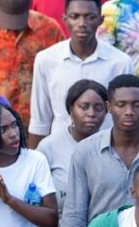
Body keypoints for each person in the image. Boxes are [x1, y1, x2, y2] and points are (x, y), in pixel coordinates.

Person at [31, 0, 134, 146]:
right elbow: (40, 120)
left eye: (89, 17)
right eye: (75, 16)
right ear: (65, 19)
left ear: (100, 20)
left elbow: (126, 118)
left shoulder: (120, 62)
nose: (82, 23)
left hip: (106, 150)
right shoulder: (46, 60)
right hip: (60, 153)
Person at [62, 74, 139, 226]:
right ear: (109, 107)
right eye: (121, 104)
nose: (129, 111)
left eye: (136, 104)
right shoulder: (86, 151)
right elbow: (74, 215)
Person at [36, 79, 108, 213]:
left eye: (98, 108)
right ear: (71, 109)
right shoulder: (48, 147)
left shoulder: (111, 146)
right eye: (84, 107)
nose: (91, 114)